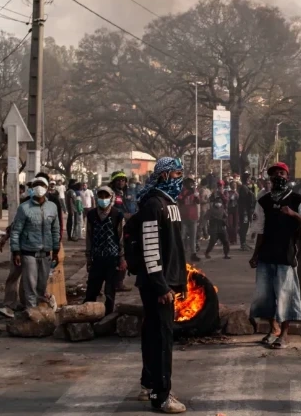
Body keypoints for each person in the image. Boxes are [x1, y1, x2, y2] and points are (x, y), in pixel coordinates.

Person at [122, 157, 188, 413]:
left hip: (166, 281)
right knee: (161, 339)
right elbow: (150, 248)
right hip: (157, 284)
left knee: (152, 334)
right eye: (176, 174)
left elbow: (173, 247)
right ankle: (162, 395)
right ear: (163, 176)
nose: (179, 179)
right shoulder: (153, 205)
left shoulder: (170, 204)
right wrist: (161, 286)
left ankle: (149, 384)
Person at [249, 162, 301, 350]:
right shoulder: (263, 201)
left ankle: (285, 334)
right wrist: (255, 255)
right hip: (266, 255)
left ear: (287, 176)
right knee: (264, 296)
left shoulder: (297, 200)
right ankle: (273, 328)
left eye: (281, 173)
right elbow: (260, 230)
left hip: (287, 255)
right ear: (270, 179)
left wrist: (293, 214)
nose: (278, 176)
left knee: (286, 295)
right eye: (274, 174)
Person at [10, 176, 62, 310]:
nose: (39, 188)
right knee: (30, 286)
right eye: (36, 185)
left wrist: (56, 250)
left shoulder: (52, 207)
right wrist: (16, 251)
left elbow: (55, 230)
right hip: (28, 252)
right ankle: (31, 313)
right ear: (32, 188)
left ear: (47, 188)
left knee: (41, 285)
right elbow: (16, 231)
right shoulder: (24, 208)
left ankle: (40, 311)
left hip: (46, 253)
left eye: (42, 185)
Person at [84, 186, 124, 314]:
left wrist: (122, 258)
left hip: (112, 259)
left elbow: (121, 238)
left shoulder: (117, 215)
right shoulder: (91, 215)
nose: (103, 199)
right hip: (97, 258)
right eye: (100, 196)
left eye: (106, 196)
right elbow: (89, 237)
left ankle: (107, 318)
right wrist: (88, 257)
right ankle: (88, 317)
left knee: (109, 291)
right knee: (92, 290)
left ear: (111, 197)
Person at [179, 179, 201, 261]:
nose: (191, 185)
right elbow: (180, 200)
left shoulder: (195, 191)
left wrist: (195, 196)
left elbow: (198, 201)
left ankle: (193, 253)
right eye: (190, 183)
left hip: (193, 216)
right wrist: (188, 193)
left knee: (193, 237)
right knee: (182, 236)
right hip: (183, 216)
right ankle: (181, 252)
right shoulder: (181, 191)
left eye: (192, 183)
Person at [237, 173, 257, 251]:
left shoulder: (246, 188)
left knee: (246, 226)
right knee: (244, 227)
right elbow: (245, 200)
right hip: (244, 211)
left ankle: (244, 242)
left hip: (247, 210)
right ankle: (243, 244)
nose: (250, 180)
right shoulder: (243, 188)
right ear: (246, 179)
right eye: (248, 178)